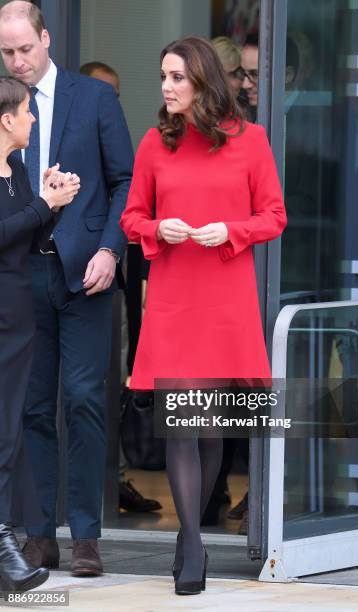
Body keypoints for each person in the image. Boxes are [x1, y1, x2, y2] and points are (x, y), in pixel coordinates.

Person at [120, 36, 286, 596]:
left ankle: (191, 529)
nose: (166, 87)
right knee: (183, 424)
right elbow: (132, 217)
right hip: (173, 296)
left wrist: (232, 231)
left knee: (210, 428)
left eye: (176, 78)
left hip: (225, 298)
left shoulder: (251, 141)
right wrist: (155, 229)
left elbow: (274, 215)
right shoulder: (153, 143)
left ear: (203, 81)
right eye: (163, 76)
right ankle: (192, 539)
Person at [0, 1, 133, 577]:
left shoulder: (95, 98)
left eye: (24, 49)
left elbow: (125, 181)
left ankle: (85, 536)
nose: (17, 61)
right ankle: (38, 535)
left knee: (83, 401)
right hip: (22, 274)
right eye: (6, 52)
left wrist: (110, 249)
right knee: (29, 407)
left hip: (85, 274)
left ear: (47, 39)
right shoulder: (4, 105)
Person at [0, 76, 80, 592]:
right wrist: (41, 207)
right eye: (27, 112)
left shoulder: (16, 171)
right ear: (6, 119)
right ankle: (5, 548)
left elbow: (29, 239)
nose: (33, 119)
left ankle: (5, 544)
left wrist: (55, 204)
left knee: (9, 436)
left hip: (18, 324)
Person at [79, 60, 162, 515]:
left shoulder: (126, 148)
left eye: (114, 95)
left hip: (117, 274)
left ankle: (115, 478)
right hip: (66, 275)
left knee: (115, 380)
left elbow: (132, 201)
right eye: (98, 92)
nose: (105, 103)